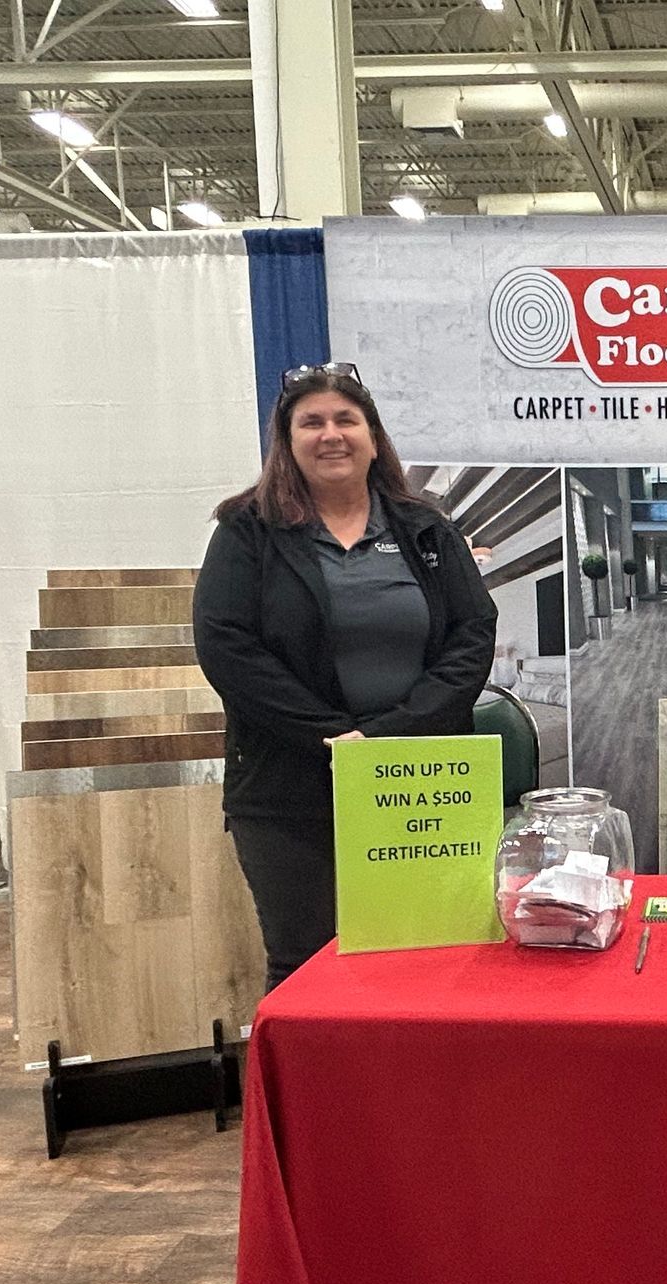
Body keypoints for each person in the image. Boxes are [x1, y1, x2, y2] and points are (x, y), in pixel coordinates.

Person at [194, 363, 497, 989]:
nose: (330, 434)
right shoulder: (247, 529)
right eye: (312, 422)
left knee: (429, 954)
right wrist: (330, 735)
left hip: (419, 780)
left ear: (372, 434)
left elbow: (472, 633)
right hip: (290, 787)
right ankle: (313, 1091)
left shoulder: (425, 528)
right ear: (287, 439)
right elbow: (226, 646)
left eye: (345, 420)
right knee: (306, 962)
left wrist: (390, 735)